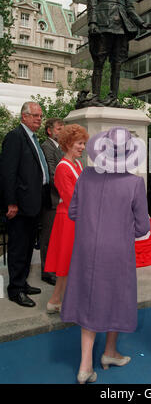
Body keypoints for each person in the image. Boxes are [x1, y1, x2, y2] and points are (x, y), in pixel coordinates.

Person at [60, 127, 150, 384]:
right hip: (118, 250)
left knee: (89, 299)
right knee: (116, 297)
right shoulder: (134, 183)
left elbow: (73, 212)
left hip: (87, 248)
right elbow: (143, 227)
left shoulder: (86, 176)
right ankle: (109, 352)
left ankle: (86, 364)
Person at [76, 0, 151, 109]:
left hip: (121, 26)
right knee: (99, 60)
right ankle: (95, 96)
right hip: (103, 22)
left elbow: (129, 7)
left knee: (117, 63)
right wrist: (92, 22)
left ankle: (113, 97)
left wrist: (141, 23)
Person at [0, 102, 50, 307]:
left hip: (34, 203)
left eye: (40, 115)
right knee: (18, 247)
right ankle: (16, 290)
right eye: (35, 115)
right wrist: (11, 203)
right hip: (19, 205)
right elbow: (7, 173)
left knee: (28, 246)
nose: (39, 118)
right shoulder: (15, 137)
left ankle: (22, 282)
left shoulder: (34, 138)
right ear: (24, 117)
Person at [44, 124, 89, 313]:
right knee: (66, 263)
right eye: (79, 143)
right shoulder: (63, 168)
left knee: (71, 263)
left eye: (84, 143)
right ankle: (56, 300)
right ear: (69, 143)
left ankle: (59, 301)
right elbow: (73, 199)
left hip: (77, 218)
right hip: (68, 220)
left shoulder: (78, 164)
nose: (82, 147)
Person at [40, 118, 65, 285]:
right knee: (48, 237)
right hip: (51, 199)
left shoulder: (60, 148)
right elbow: (52, 174)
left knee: (58, 238)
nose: (61, 131)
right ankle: (47, 272)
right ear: (49, 130)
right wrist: (68, 189)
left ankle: (55, 268)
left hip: (61, 200)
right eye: (58, 128)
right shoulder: (46, 147)